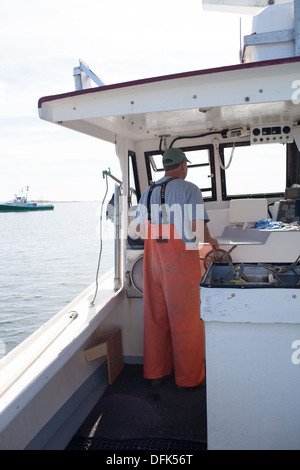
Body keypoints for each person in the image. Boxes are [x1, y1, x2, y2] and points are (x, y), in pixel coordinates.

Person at [134, 148, 218, 390]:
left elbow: (139, 231)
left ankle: (155, 374)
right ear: (183, 166)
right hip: (179, 264)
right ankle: (188, 379)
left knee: (155, 318)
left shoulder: (147, 191)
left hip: (153, 261)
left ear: (165, 166)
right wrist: (210, 239)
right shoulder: (189, 188)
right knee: (186, 322)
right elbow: (199, 231)